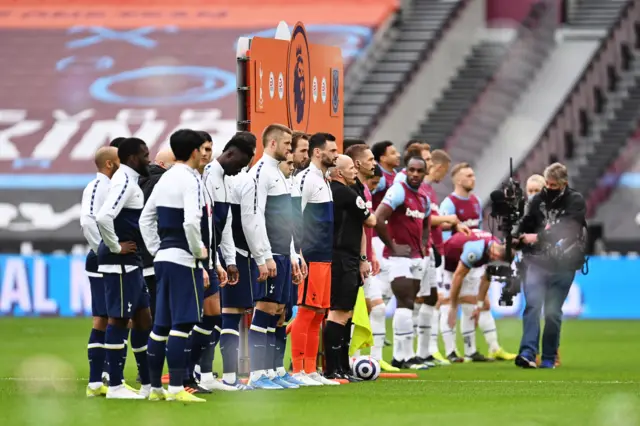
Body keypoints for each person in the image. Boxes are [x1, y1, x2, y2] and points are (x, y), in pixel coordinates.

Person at [139, 129, 211, 402]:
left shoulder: (166, 178)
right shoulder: (190, 180)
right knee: (182, 324)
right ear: (194, 152)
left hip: (164, 259)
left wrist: (158, 249)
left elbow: (146, 219)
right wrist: (197, 251)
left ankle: (156, 388)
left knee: (161, 325)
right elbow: (192, 222)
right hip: (183, 259)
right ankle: (177, 388)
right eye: (202, 149)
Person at [241, 123, 303, 390]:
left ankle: (275, 370)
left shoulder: (278, 173)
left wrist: (291, 255)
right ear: (273, 144)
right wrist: (263, 256)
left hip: (281, 253)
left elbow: (284, 221)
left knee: (280, 312)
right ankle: (257, 374)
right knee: (265, 309)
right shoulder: (260, 174)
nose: (290, 150)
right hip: (268, 255)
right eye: (288, 145)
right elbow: (255, 217)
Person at [198, 131, 258, 391]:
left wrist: (228, 260)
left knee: (214, 317)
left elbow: (224, 226)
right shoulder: (205, 177)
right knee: (205, 318)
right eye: (240, 163)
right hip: (200, 256)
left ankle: (208, 376)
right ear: (230, 154)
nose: (240, 170)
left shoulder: (225, 179)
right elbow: (202, 224)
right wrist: (207, 260)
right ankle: (198, 374)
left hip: (216, 258)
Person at [513, 163, 586, 369]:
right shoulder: (538, 200)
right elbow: (525, 222)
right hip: (537, 262)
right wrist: (514, 238)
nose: (549, 189)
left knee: (553, 313)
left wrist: (536, 237)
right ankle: (527, 353)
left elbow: (568, 229)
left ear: (565, 184)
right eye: (547, 185)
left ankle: (549, 357)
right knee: (533, 306)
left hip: (564, 264)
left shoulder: (575, 201)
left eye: (554, 186)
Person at [95, 137, 152, 399]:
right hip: (119, 262)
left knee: (143, 319)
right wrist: (116, 246)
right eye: (145, 154)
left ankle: (149, 384)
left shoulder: (129, 180)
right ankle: (115, 386)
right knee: (118, 319)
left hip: (133, 261)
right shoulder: (125, 180)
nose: (148, 159)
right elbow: (103, 216)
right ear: (132, 158)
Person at [440, 163, 514, 362]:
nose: (473, 178)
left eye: (473, 175)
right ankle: (450, 351)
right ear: (457, 180)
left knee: (478, 304)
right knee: (449, 303)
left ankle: (473, 350)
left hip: (474, 256)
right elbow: (444, 237)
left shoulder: (475, 201)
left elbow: (478, 232)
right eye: (469, 175)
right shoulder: (449, 203)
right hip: (452, 261)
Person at [290, 132, 340, 386]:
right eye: (332, 150)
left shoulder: (324, 180)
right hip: (309, 255)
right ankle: (298, 370)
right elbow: (293, 217)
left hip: (324, 255)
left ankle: (310, 370)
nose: (336, 154)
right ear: (317, 152)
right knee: (307, 312)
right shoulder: (305, 179)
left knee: (320, 313)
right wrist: (297, 253)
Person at [373, 156, 432, 370]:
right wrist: (392, 245)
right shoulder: (398, 190)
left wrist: (424, 244)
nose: (415, 174)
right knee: (404, 301)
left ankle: (407, 355)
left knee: (410, 303)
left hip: (416, 257)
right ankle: (401, 357)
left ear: (425, 173)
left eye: (419, 171)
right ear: (405, 171)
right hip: (398, 257)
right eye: (411, 170)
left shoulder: (424, 197)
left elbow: (426, 223)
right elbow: (377, 218)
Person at [344, 144, 398, 372]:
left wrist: (371, 254)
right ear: (357, 163)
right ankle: (351, 359)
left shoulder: (364, 190)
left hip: (364, 257)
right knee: (348, 312)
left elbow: (366, 228)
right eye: (369, 159)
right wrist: (361, 256)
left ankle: (374, 359)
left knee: (377, 308)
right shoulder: (351, 189)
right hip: (350, 258)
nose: (374, 163)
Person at [323, 155, 376, 380]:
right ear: (339, 173)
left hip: (350, 257)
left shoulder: (343, 191)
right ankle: (332, 369)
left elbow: (360, 226)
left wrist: (363, 257)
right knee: (338, 313)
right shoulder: (343, 192)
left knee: (346, 314)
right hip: (341, 258)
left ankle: (342, 367)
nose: (355, 171)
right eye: (350, 168)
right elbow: (370, 220)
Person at [81, 146, 120, 397]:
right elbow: (87, 221)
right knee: (103, 318)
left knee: (114, 317)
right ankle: (96, 380)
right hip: (102, 259)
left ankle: (105, 375)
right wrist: (104, 250)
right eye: (119, 160)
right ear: (108, 164)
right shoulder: (97, 186)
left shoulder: (112, 187)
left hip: (109, 257)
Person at [444, 230, 513, 363]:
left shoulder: (496, 249)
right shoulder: (475, 251)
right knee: (446, 305)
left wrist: (478, 306)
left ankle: (471, 352)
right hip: (447, 260)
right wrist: (453, 306)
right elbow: (458, 276)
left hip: (463, 260)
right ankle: (450, 351)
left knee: (474, 305)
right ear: (495, 255)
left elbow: (486, 279)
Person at [421, 149, 456, 364]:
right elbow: (426, 219)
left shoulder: (430, 191)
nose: (443, 176)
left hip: (435, 249)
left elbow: (432, 219)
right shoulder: (423, 189)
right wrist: (450, 219)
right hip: (426, 250)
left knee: (433, 300)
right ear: (439, 167)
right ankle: (425, 349)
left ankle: (428, 350)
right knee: (428, 300)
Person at [139, 149, 176, 324]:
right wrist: (157, 250)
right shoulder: (161, 182)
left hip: (143, 258)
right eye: (175, 162)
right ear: (162, 164)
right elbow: (149, 219)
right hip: (157, 257)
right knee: (162, 316)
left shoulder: (141, 182)